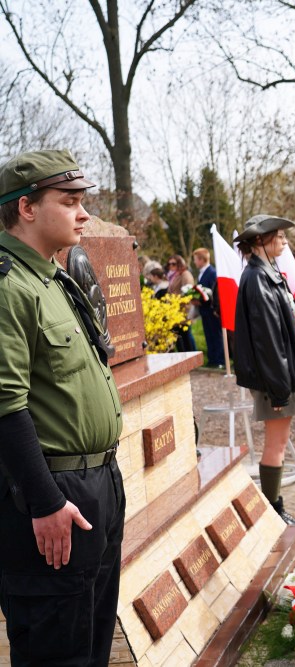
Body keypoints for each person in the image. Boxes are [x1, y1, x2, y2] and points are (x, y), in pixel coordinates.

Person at [0, 149, 126, 665]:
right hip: (52, 494)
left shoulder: (52, 278)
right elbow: (5, 405)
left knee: (91, 644)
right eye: (70, 201)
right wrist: (45, 501)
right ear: (27, 208)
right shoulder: (9, 285)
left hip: (97, 487)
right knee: (58, 652)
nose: (83, 213)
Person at [233, 214, 295, 536]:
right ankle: (273, 514)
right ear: (260, 241)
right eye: (279, 236)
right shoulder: (257, 277)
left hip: (280, 374)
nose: (284, 242)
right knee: (276, 446)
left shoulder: (267, 273)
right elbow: (267, 340)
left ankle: (273, 509)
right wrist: (280, 390)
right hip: (275, 378)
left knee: (277, 444)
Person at [192, 247, 225, 368]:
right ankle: (212, 359)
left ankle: (219, 360)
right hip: (204, 310)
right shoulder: (202, 273)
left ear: (201, 259)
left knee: (215, 335)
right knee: (208, 335)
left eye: (195, 259)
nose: (194, 262)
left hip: (212, 310)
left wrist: (205, 301)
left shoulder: (212, 272)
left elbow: (214, 292)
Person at [166, 253, 196, 353]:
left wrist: (177, 302)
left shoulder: (185, 274)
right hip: (175, 311)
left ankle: (193, 357)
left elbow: (188, 292)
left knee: (186, 336)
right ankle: (185, 357)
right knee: (179, 337)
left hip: (183, 310)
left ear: (179, 263)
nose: (171, 266)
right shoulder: (172, 276)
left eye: (173, 264)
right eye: (169, 264)